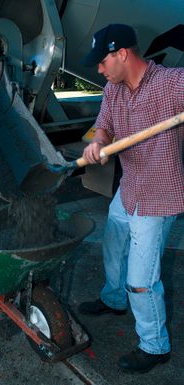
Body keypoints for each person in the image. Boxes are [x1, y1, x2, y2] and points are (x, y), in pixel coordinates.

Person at [79, 24, 184, 373]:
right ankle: (113, 299)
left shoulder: (171, 83)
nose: (98, 68)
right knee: (113, 243)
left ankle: (155, 346)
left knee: (141, 281)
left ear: (122, 54)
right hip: (129, 188)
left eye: (102, 61)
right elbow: (103, 124)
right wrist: (98, 141)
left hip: (159, 195)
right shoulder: (114, 90)